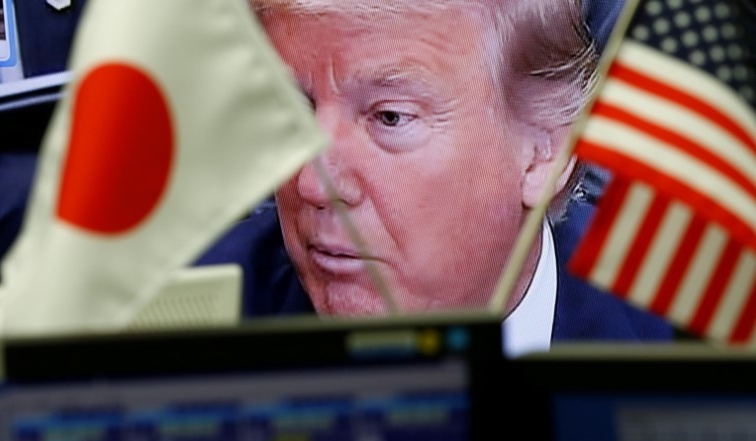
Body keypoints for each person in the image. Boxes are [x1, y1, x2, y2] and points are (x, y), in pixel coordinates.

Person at [198, 0, 672, 354]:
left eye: (389, 118)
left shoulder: (688, 336)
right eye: (295, 108)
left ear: (543, 153)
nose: (312, 185)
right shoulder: (178, 326)